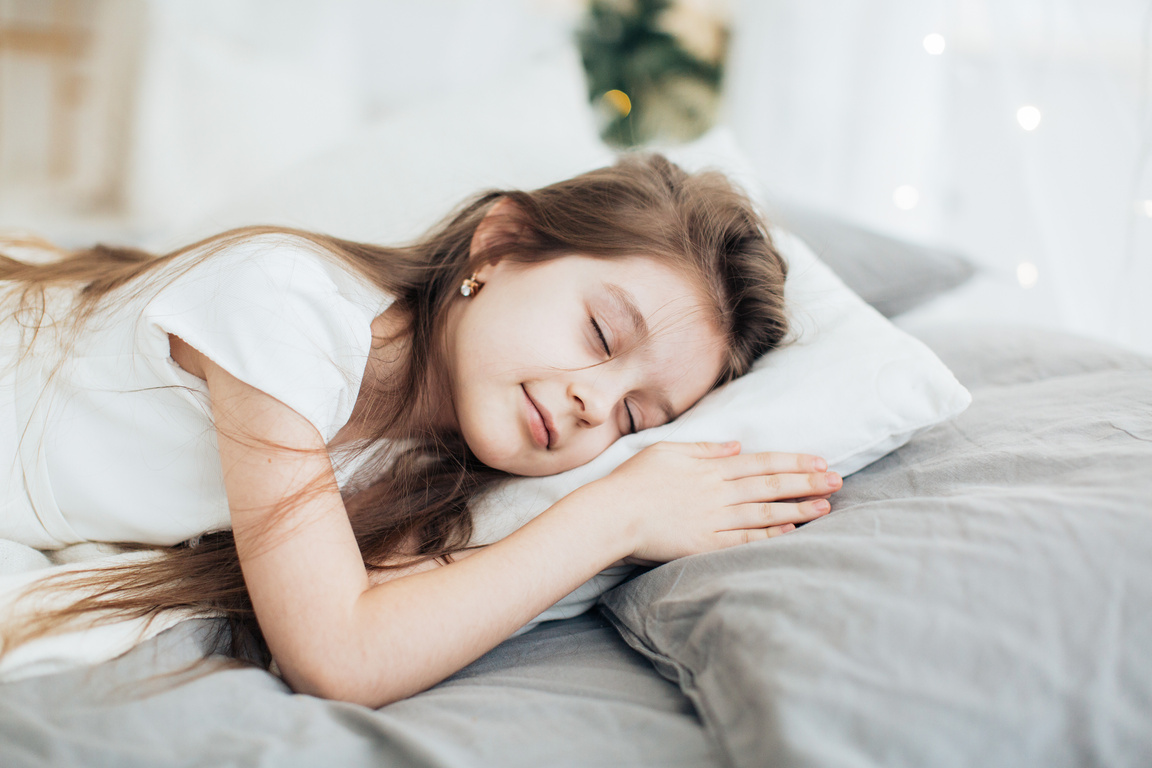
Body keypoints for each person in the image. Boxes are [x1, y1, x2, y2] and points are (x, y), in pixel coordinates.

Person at [0, 154, 839, 707]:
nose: (594, 402)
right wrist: (618, 513)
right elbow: (341, 656)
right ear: (500, 245)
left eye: (634, 417)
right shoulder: (283, 307)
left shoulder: (430, 465)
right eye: (600, 334)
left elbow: (400, 623)